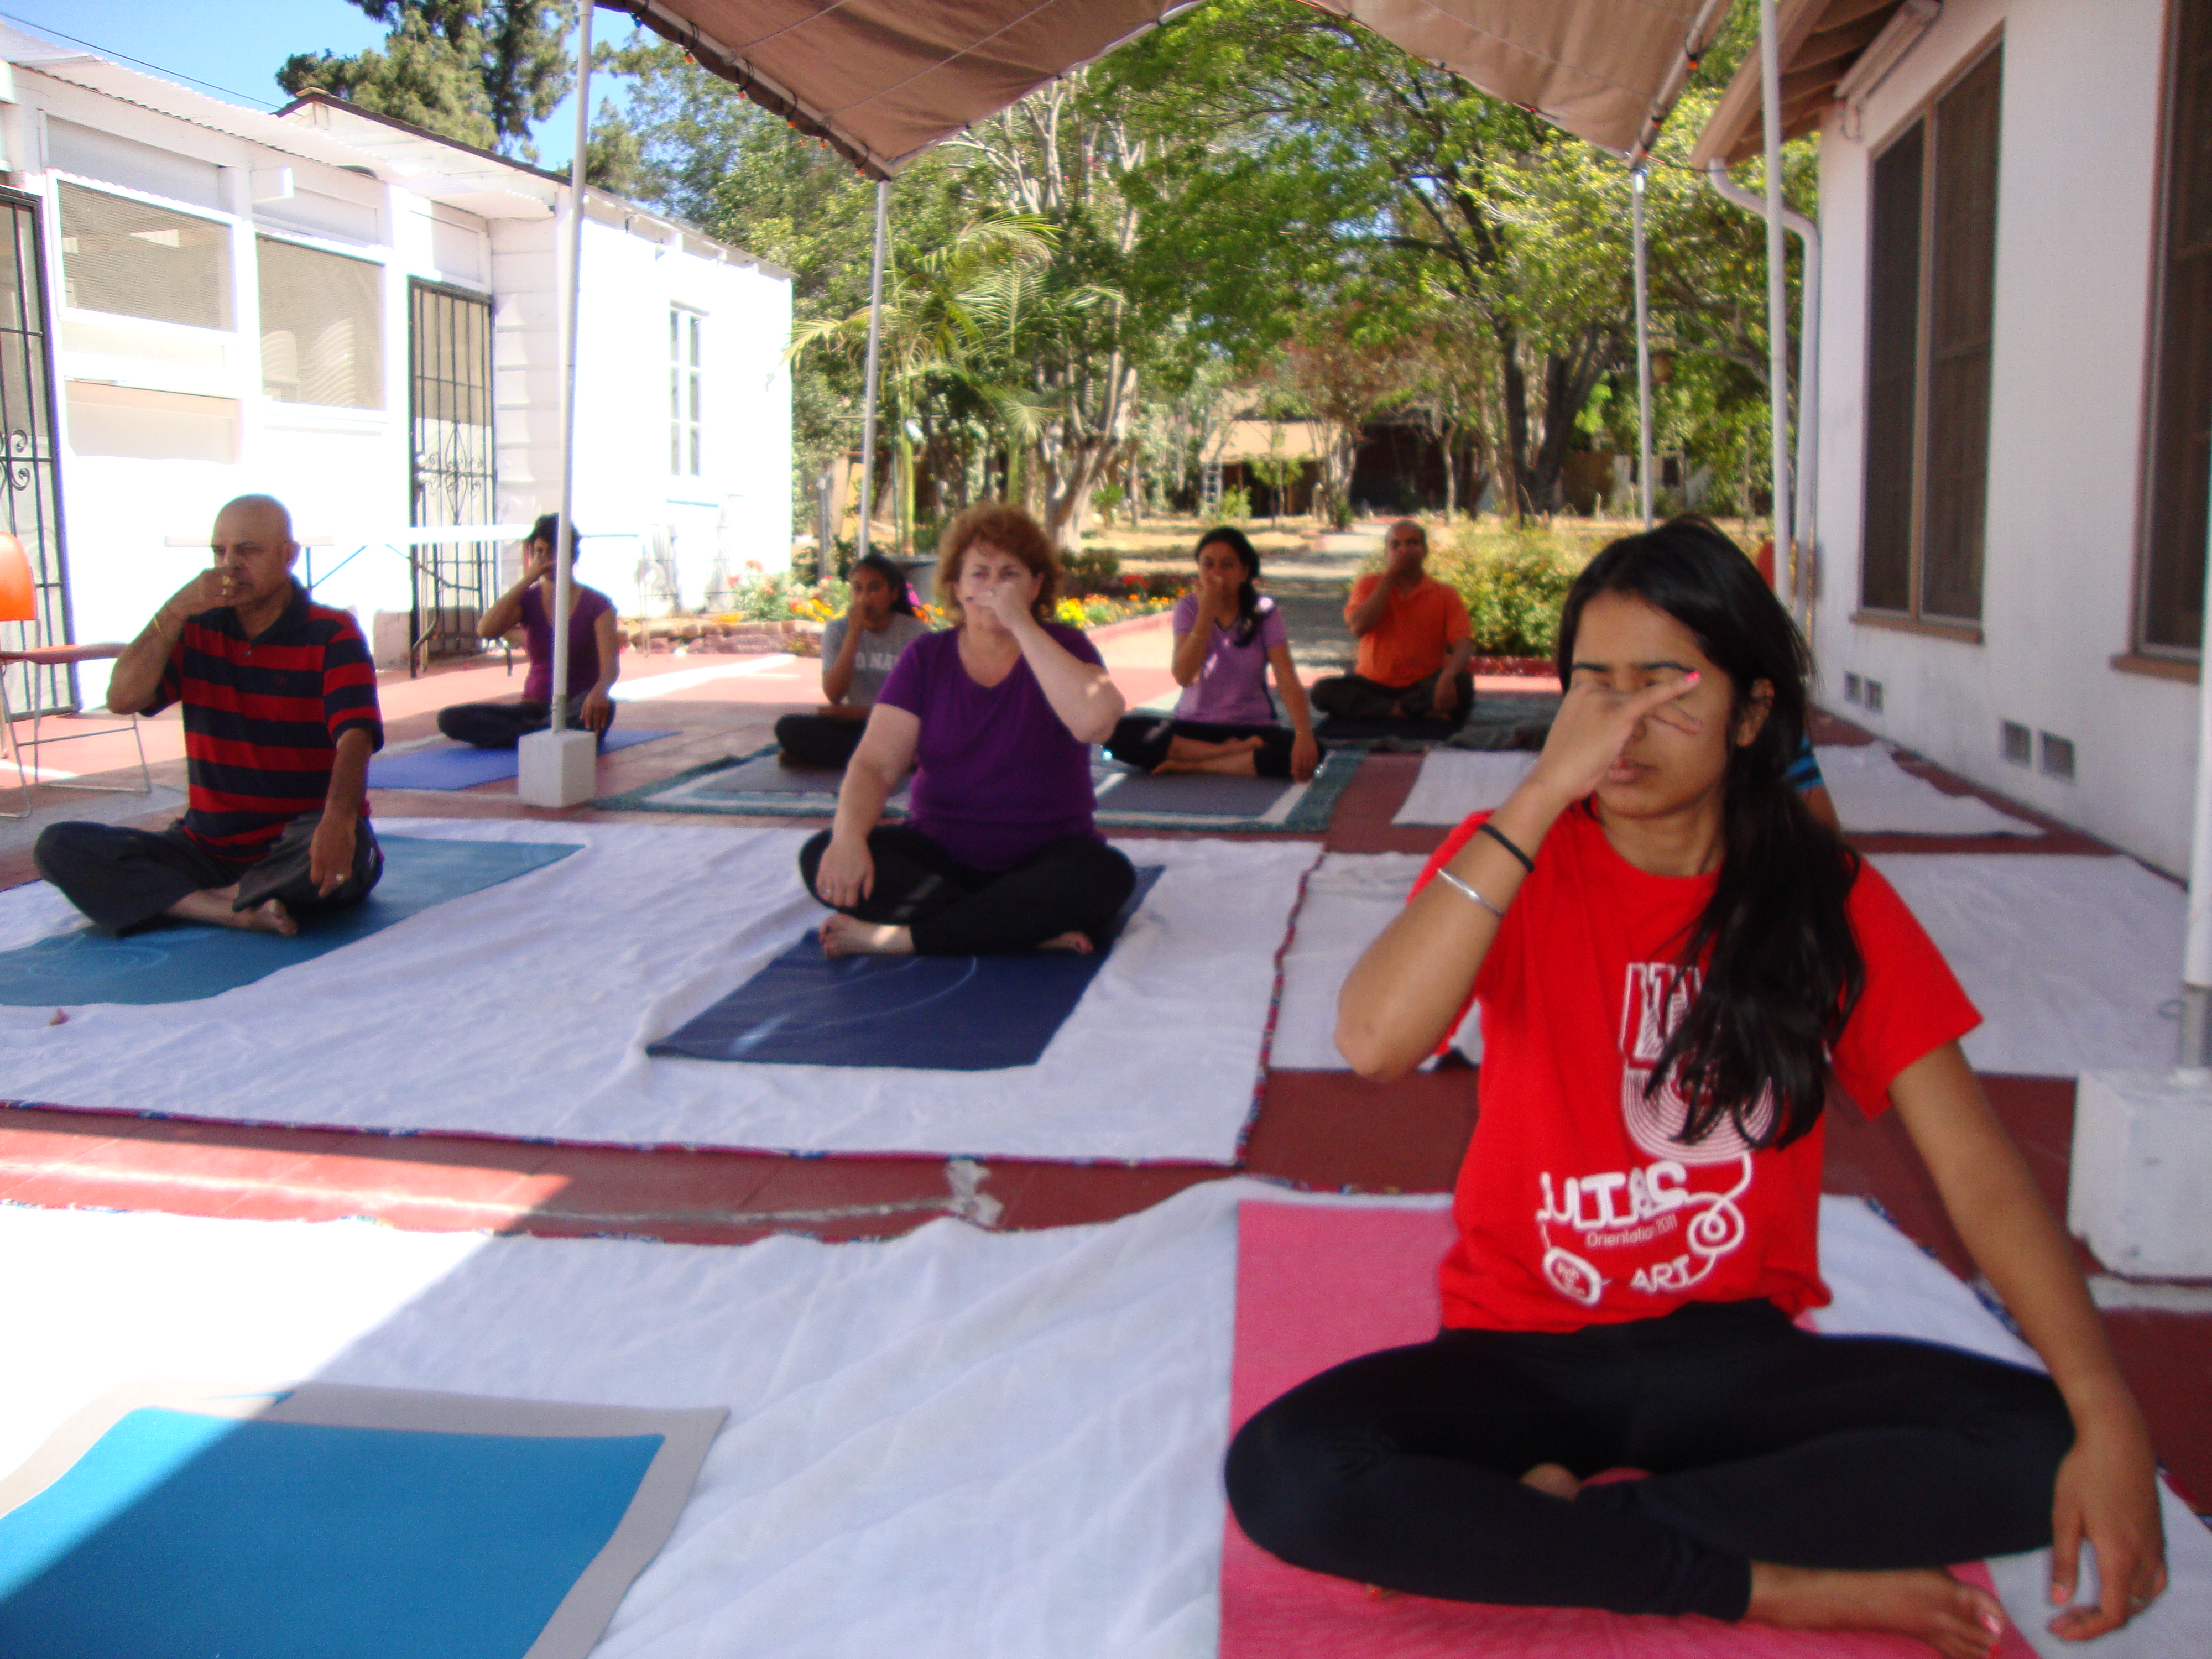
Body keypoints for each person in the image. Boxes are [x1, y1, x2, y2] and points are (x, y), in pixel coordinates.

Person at [1225, 518, 2164, 1658]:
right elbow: (1373, 1041)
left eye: (1664, 688)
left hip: (1733, 1360)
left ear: (1751, 713)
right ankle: (1763, 1581)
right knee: (1288, 1474)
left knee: (2042, 1444)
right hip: (1523, 1353)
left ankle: (1542, 1532)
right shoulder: (1510, 855)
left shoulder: (1822, 896)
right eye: (1594, 686)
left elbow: (1978, 1171)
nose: (1621, 726)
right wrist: (1539, 793)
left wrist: (2108, 1411)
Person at [33, 494, 384, 938]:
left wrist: (338, 819)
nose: (230, 565)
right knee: (58, 847)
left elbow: (355, 737)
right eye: (220, 551)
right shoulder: (198, 627)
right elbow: (122, 699)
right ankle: (230, 908)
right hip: (207, 849)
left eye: (248, 551)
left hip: (298, 840)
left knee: (344, 855)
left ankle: (196, 898)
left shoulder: (331, 632)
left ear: (288, 556)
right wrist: (174, 610)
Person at [799, 505, 1135, 958]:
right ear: (957, 587)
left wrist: (1020, 623)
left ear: (1035, 585)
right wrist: (848, 837)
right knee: (820, 855)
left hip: (1046, 857)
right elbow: (875, 764)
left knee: (1106, 876)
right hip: (941, 858)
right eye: (979, 573)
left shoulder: (1065, 647)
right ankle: (1018, 930)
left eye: (1010, 574)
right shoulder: (926, 658)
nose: (994, 586)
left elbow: (1097, 722)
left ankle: (907, 938)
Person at [1103, 526, 1321, 781]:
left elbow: (1286, 675)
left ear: (1244, 572)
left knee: (1311, 751)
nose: (1216, 573)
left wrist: (1304, 734)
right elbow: (1184, 676)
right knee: (1120, 734)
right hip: (1193, 729)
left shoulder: (1264, 611)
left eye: (1227, 565)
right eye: (1208, 565)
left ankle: (1195, 766)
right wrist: (1206, 612)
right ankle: (1233, 755)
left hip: (1253, 728)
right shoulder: (1188, 608)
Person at [436, 514, 619, 748]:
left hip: (576, 706)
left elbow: (610, 667)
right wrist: (528, 579)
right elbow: (486, 630)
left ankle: (533, 736)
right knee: (450, 719)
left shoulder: (598, 604)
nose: (546, 559)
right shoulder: (529, 600)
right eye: (539, 552)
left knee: (604, 709)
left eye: (553, 552)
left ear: (572, 555)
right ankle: (539, 734)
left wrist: (600, 692)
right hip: (534, 707)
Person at [773, 553, 932, 769]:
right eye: (858, 589)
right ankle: (890, 759)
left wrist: (860, 713)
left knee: (935, 735)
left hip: (897, 725)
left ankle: (849, 757)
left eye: (874, 589)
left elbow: (923, 705)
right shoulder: (838, 630)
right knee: (788, 728)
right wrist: (854, 632)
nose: (865, 598)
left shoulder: (916, 634)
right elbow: (834, 694)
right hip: (854, 727)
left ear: (893, 594)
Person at [1309, 519, 1476, 723]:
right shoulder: (1368, 584)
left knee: (1463, 682)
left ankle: (1389, 710)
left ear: (1424, 551)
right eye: (1396, 545)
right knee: (1322, 691)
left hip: (1423, 684)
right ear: (1386, 554)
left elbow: (1464, 645)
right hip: (1372, 685)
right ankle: (1405, 711)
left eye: (1412, 543)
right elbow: (1358, 628)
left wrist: (1448, 677)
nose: (1404, 550)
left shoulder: (1445, 594)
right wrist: (1389, 578)